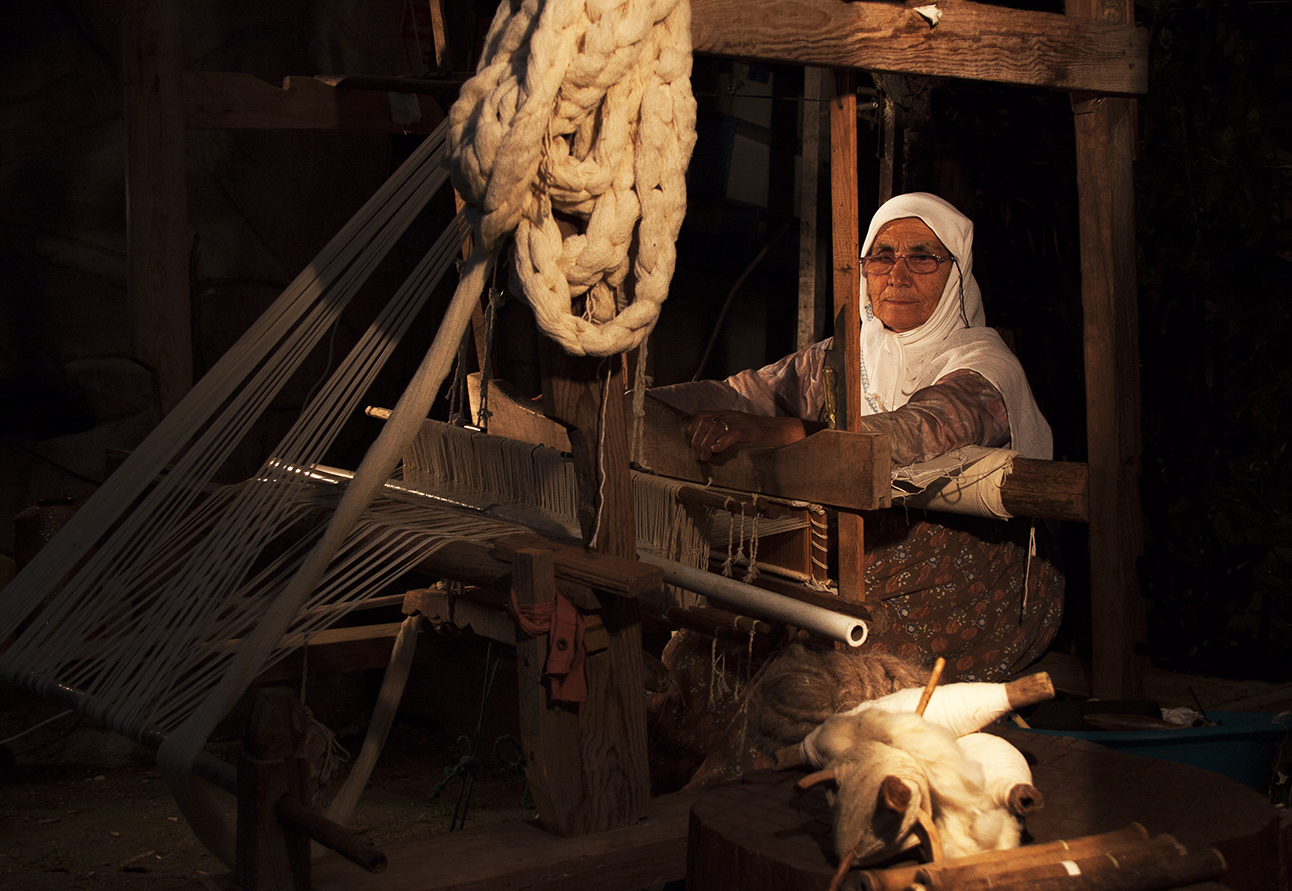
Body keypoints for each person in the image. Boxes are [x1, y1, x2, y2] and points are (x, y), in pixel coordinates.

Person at [646, 193, 1064, 789]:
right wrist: (636, 409)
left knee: (815, 674)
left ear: (957, 275)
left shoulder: (983, 368)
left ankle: (717, 805)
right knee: (718, 642)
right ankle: (659, 772)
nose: (897, 274)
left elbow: (922, 428)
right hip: (859, 556)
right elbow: (739, 396)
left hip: (975, 577)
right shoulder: (845, 360)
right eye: (881, 256)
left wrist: (790, 430)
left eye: (924, 258)